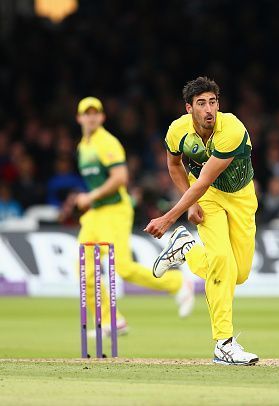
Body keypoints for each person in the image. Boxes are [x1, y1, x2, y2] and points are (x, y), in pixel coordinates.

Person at [144, 77, 259, 366]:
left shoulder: (231, 129)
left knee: (239, 274)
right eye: (201, 103)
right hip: (208, 198)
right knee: (221, 259)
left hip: (241, 199)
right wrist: (191, 202)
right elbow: (174, 165)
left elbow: (205, 179)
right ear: (189, 109)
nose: (209, 109)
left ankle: (186, 248)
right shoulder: (177, 131)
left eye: (213, 102)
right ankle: (224, 343)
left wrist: (169, 218)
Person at [75, 97, 195, 337]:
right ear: (79, 118)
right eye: (86, 113)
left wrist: (90, 197)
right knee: (83, 268)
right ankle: (112, 320)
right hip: (95, 214)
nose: (91, 117)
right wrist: (90, 200)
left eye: (95, 113)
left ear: (102, 117)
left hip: (115, 211)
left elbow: (120, 177)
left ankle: (177, 283)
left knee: (123, 268)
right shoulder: (82, 147)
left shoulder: (106, 142)